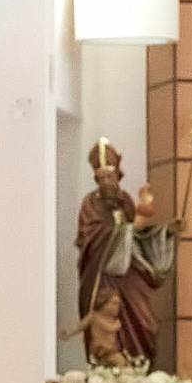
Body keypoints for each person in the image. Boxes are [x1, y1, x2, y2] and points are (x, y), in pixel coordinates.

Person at [73, 139, 172, 366]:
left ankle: (140, 364)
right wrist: (120, 231)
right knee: (107, 323)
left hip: (129, 273)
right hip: (102, 276)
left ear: (118, 176)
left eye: (111, 177)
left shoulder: (125, 199)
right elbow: (89, 237)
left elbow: (137, 232)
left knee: (146, 323)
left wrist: (165, 232)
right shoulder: (90, 203)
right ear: (96, 180)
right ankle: (114, 368)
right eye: (102, 178)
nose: (107, 182)